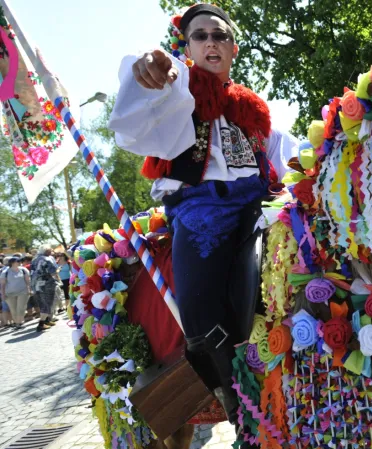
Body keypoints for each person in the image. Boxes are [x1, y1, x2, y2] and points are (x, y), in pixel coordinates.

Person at [107, 3, 291, 437]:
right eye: (200, 35)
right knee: (201, 311)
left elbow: (290, 158)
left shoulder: (255, 111)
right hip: (202, 211)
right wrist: (149, 71)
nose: (211, 41)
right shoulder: (179, 94)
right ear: (186, 47)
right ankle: (240, 405)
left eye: (219, 35)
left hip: (260, 208)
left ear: (234, 48)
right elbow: (140, 112)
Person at [31, 247, 58, 332]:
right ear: (47, 251)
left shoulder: (34, 259)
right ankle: (41, 323)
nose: (52, 251)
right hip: (47, 283)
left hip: (36, 284)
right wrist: (58, 271)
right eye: (50, 250)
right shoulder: (47, 259)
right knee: (48, 302)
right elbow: (53, 272)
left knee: (42, 303)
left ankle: (46, 320)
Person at [1, 257, 31, 330]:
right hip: (10, 293)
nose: (19, 262)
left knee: (21, 308)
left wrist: (29, 289)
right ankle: (18, 323)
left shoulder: (23, 270)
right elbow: (2, 285)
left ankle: (20, 322)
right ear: (12, 263)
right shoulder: (5, 272)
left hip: (22, 292)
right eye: (17, 261)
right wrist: (3, 295)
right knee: (13, 309)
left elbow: (28, 281)